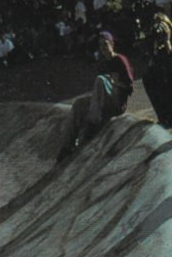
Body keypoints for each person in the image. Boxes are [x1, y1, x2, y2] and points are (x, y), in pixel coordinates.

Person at [56, 31, 134, 161]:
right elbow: (99, 92)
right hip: (104, 102)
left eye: (105, 45)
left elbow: (130, 87)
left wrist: (116, 83)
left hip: (117, 102)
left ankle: (92, 123)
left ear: (112, 44)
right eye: (101, 46)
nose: (103, 48)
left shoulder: (120, 60)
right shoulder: (102, 63)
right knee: (79, 104)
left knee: (100, 79)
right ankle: (67, 145)